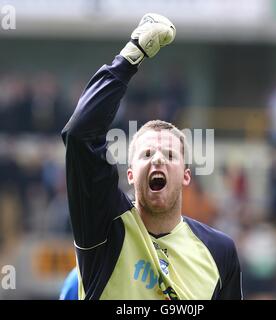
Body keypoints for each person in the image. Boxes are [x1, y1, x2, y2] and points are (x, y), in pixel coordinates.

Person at [61, 13, 242, 300]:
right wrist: (130, 57)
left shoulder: (220, 251)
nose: (157, 159)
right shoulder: (105, 226)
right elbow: (79, 135)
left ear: (186, 174)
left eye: (169, 153)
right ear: (130, 174)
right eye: (146, 153)